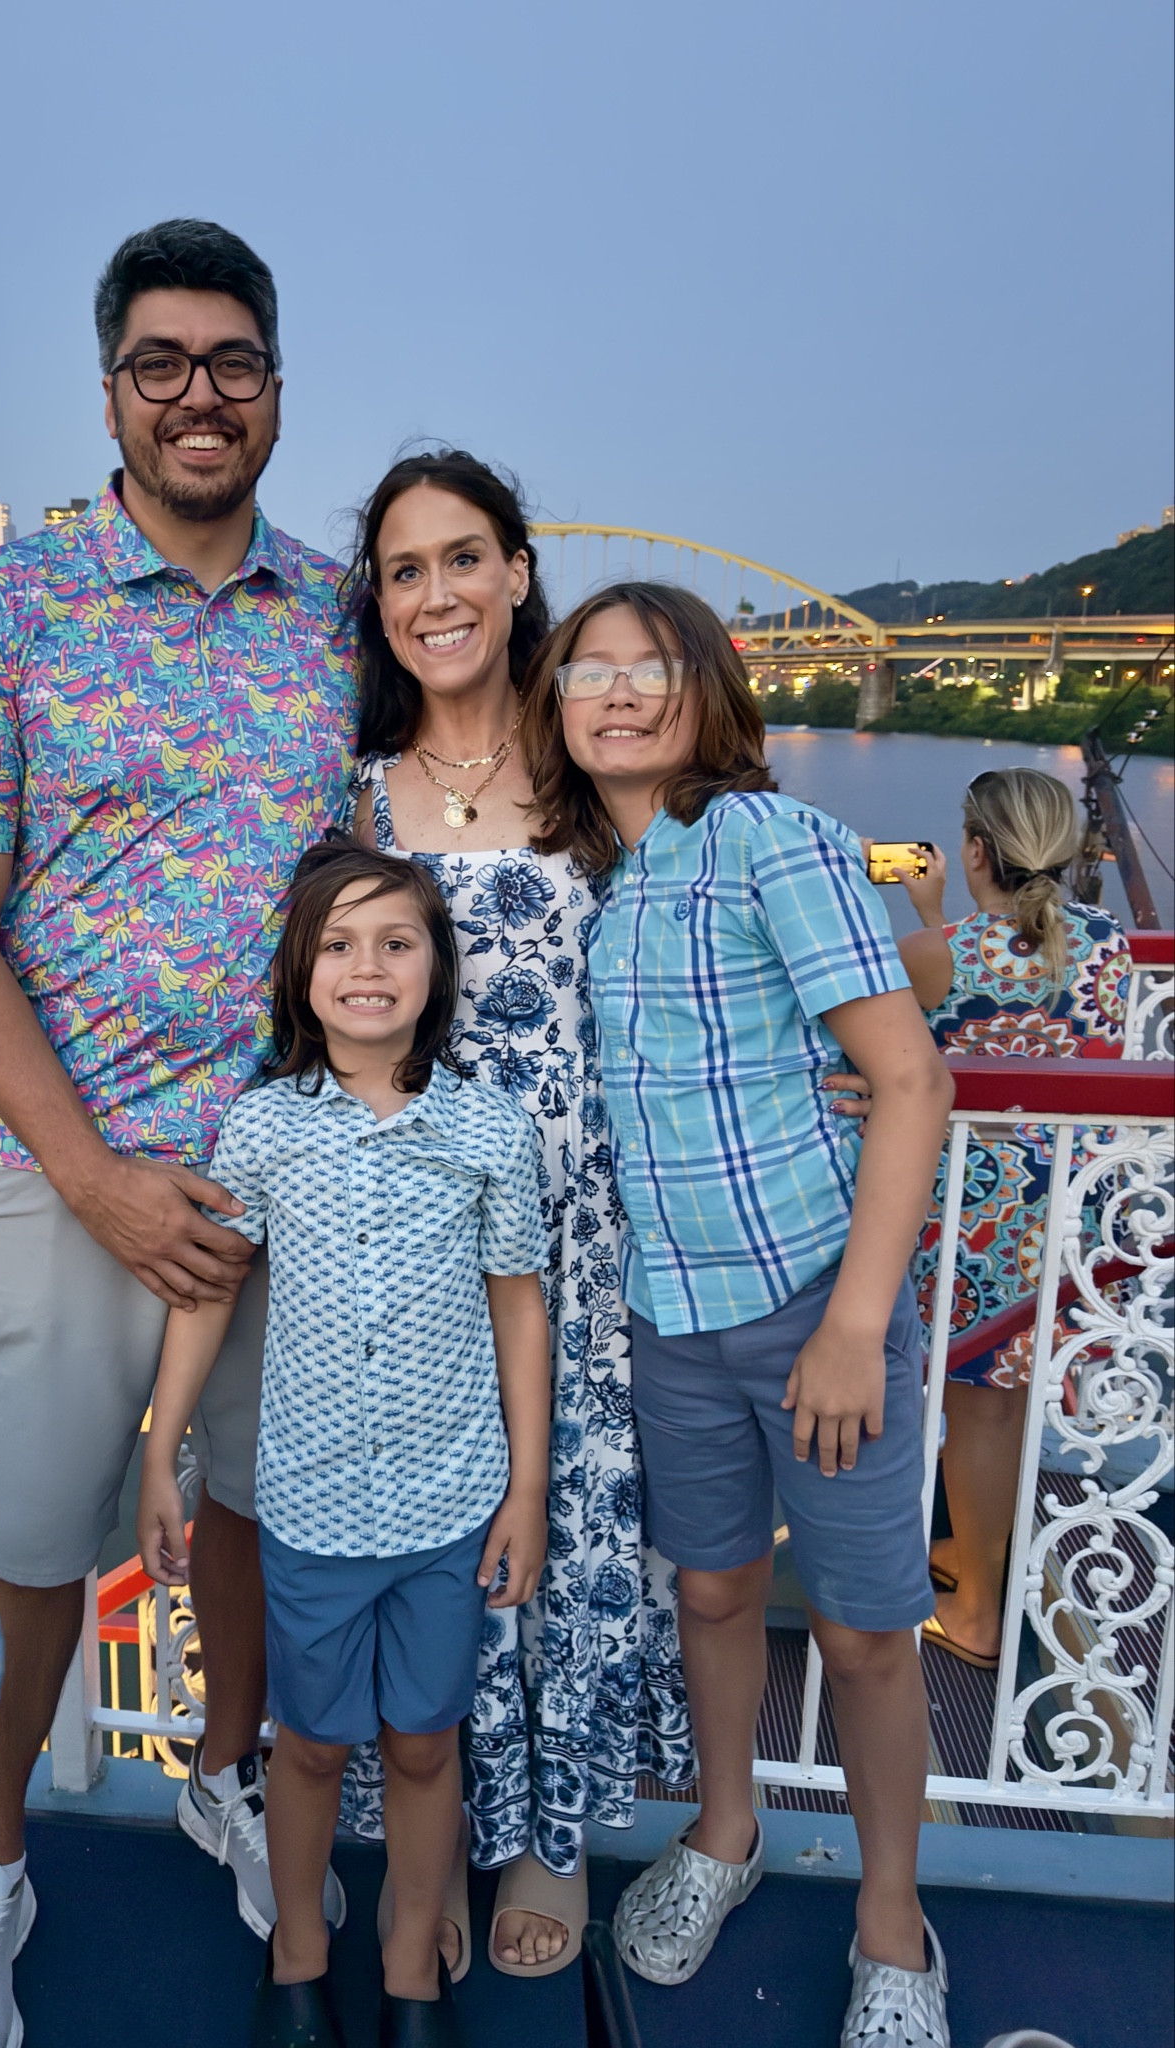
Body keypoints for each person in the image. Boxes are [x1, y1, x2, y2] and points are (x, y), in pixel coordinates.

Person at [0, 219, 358, 2048]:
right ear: (109, 391)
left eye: (231, 361)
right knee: (32, 1540)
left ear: (277, 390)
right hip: (74, 1172)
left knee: (247, 1521)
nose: (198, 394)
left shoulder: (335, 615)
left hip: (293, 1181)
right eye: (160, 362)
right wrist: (91, 1174)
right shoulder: (9, 609)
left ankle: (220, 1770)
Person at [531, 581, 958, 2048]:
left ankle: (893, 1918)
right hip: (667, 1316)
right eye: (586, 670)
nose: (619, 691)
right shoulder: (591, 879)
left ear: (709, 690)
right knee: (708, 1592)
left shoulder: (769, 838)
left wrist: (853, 1324)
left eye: (652, 666)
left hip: (804, 1304)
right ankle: (727, 1828)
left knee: (859, 1632)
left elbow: (907, 1079)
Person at [346, 451, 690, 1978]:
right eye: (407, 568)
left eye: (465, 558)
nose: (439, 593)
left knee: (566, 1519)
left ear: (516, 574)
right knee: (432, 1527)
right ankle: (444, 1821)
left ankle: (552, 1834)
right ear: (381, 598)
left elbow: (714, 950)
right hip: (411, 1235)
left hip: (581, 1225)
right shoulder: (350, 790)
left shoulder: (600, 777)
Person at [138, 837, 551, 2048]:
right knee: (310, 1745)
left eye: (397, 940)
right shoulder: (262, 1128)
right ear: (299, 972)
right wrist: (165, 1451)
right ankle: (299, 1955)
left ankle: (412, 1970)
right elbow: (209, 1292)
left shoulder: (489, 1129)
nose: (367, 967)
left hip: (450, 1499)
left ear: (436, 966)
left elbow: (518, 1304)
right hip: (312, 1502)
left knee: (426, 1741)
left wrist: (524, 1487)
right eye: (338, 944)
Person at [889, 769, 1131, 1669]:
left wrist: (929, 914)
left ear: (977, 850)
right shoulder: (1107, 942)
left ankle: (980, 1616)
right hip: (1071, 1209)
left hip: (978, 1215)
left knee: (973, 1410)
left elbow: (900, 1032)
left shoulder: (941, 949)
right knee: (1012, 1402)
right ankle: (976, 1564)